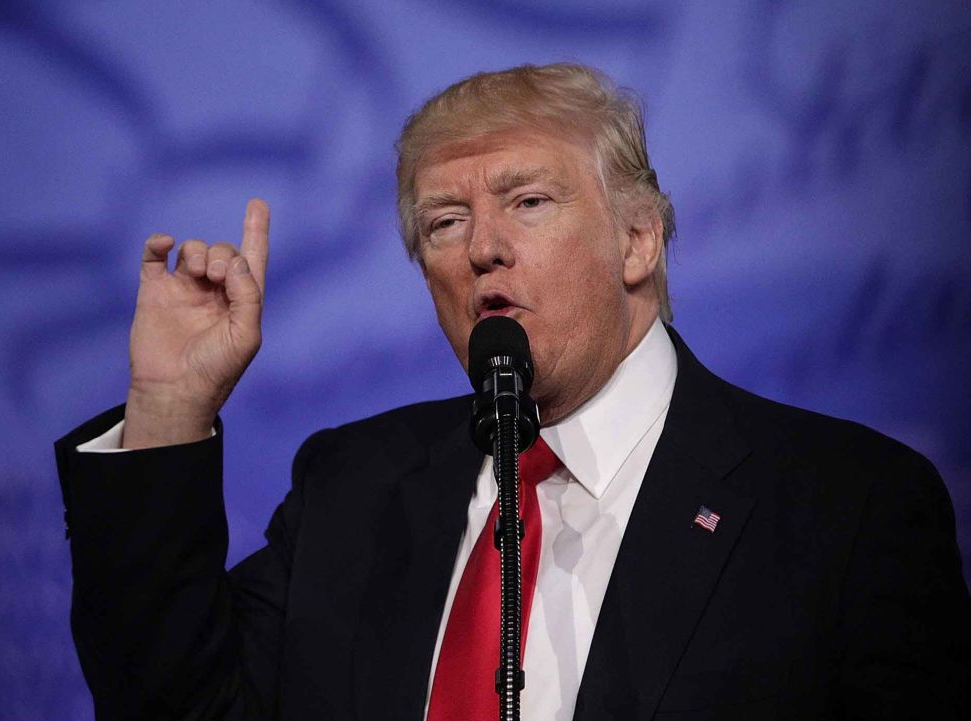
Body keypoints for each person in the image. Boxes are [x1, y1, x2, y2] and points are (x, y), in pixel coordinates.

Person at [55, 64, 969, 720]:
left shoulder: (847, 507)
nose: (482, 247)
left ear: (638, 240)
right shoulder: (352, 487)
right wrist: (169, 406)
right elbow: (171, 704)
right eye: (445, 222)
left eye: (528, 201)